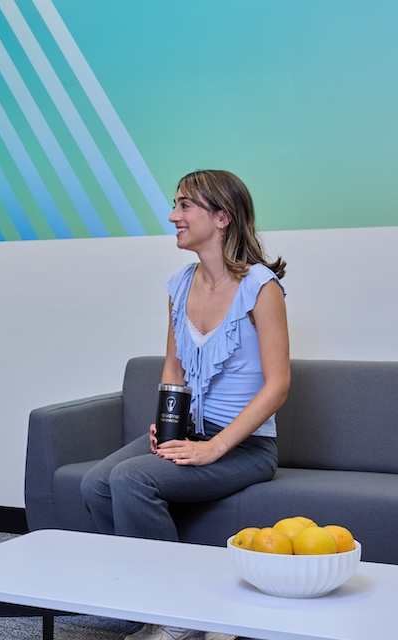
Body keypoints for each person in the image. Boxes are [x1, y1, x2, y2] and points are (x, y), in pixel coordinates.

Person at [81, 170, 289, 640]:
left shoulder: (261, 287)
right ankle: (148, 606)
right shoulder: (179, 284)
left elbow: (277, 386)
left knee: (131, 479)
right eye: (175, 205)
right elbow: (173, 370)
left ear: (221, 217)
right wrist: (166, 429)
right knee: (96, 484)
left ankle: (183, 617)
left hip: (245, 446)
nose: (173, 216)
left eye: (185, 206)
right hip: (192, 431)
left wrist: (214, 448)